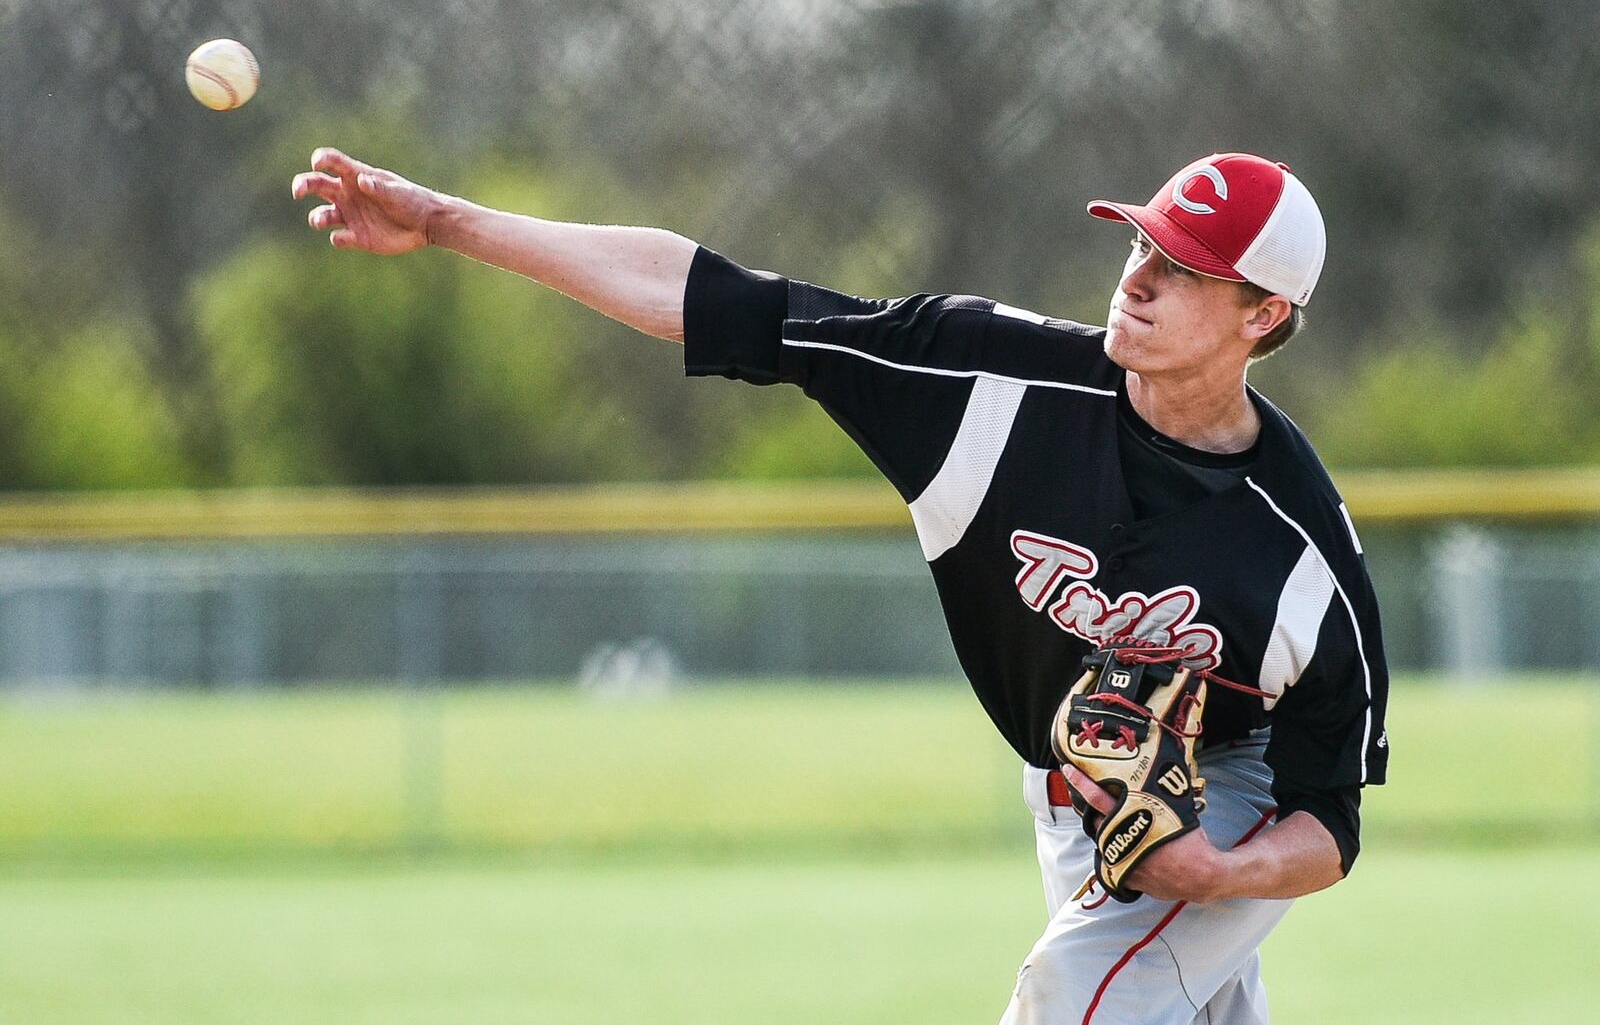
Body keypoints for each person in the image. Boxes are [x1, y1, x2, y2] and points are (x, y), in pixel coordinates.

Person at [293, 148, 1389, 1023]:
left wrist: (1219, 872)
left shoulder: (1300, 553)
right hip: (1066, 791)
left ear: (1262, 315)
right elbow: (718, 299)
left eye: (1185, 268)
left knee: (1075, 999)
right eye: (1141, 244)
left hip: (1224, 784)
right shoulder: (980, 383)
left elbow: (1329, 821)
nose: (1138, 279)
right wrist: (447, 222)